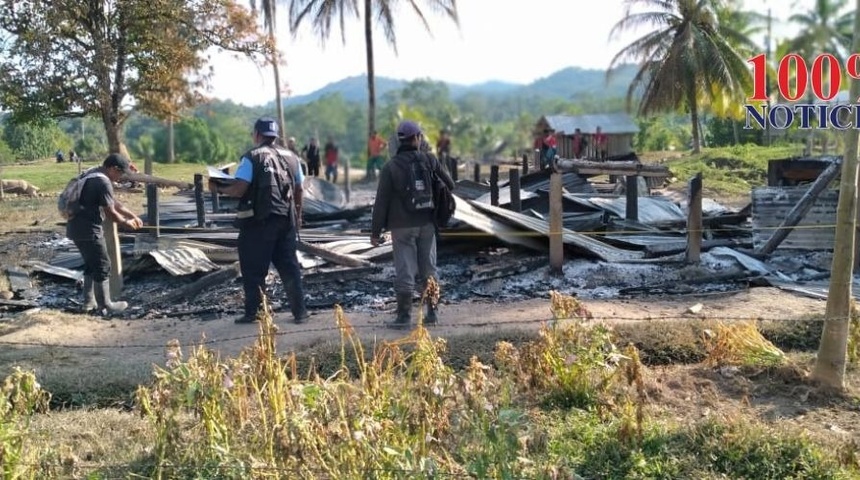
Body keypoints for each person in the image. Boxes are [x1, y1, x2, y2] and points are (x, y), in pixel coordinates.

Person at [210, 117, 309, 325]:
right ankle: (300, 312)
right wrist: (298, 215)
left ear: (256, 134)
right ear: (275, 136)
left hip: (259, 222)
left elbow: (239, 189)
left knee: (254, 268)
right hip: (287, 220)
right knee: (289, 266)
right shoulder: (292, 158)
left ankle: (254, 313)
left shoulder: (251, 157)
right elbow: (299, 188)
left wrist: (217, 187)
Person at [370, 120, 455, 330]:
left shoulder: (390, 167)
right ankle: (432, 314)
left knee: (405, 270)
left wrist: (375, 231)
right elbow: (450, 184)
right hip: (427, 223)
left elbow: (381, 202)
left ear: (399, 141)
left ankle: (404, 317)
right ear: (417, 138)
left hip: (401, 227)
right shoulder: (429, 160)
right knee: (429, 269)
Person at [66, 153, 143, 315]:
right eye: (120, 173)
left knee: (91, 264)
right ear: (113, 168)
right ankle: (106, 305)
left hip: (76, 228)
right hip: (89, 229)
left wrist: (132, 215)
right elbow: (111, 212)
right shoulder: (102, 182)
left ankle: (88, 303)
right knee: (102, 265)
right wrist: (125, 223)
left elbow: (111, 201)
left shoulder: (93, 174)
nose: (121, 177)